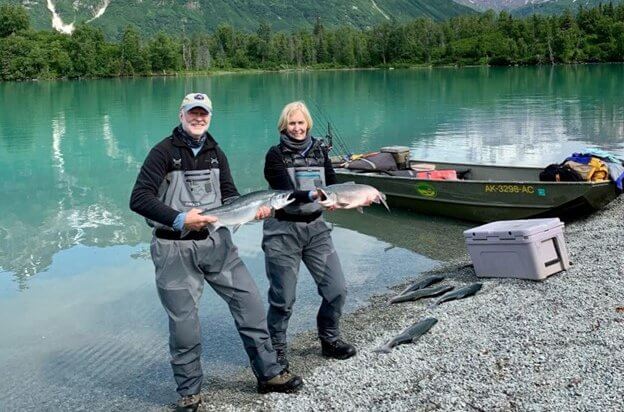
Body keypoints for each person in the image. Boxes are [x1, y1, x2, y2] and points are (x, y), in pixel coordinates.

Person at [130, 93, 302, 412]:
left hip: (218, 245)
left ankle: (270, 375)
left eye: (204, 114)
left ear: (210, 116)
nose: (198, 118)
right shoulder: (163, 152)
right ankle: (190, 393)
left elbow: (230, 196)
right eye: (193, 113)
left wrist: (254, 211)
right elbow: (138, 199)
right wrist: (181, 218)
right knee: (185, 326)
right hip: (174, 250)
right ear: (181, 115)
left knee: (250, 304)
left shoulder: (215, 152)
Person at [262, 101, 357, 371]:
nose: (296, 128)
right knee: (283, 299)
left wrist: (343, 200)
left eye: (300, 123)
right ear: (284, 126)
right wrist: (316, 195)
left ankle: (329, 338)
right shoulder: (275, 155)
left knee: (337, 289)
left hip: (317, 229)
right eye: (291, 123)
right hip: (282, 232)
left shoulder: (320, 151)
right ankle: (277, 350)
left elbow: (333, 184)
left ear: (308, 124)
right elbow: (286, 193)